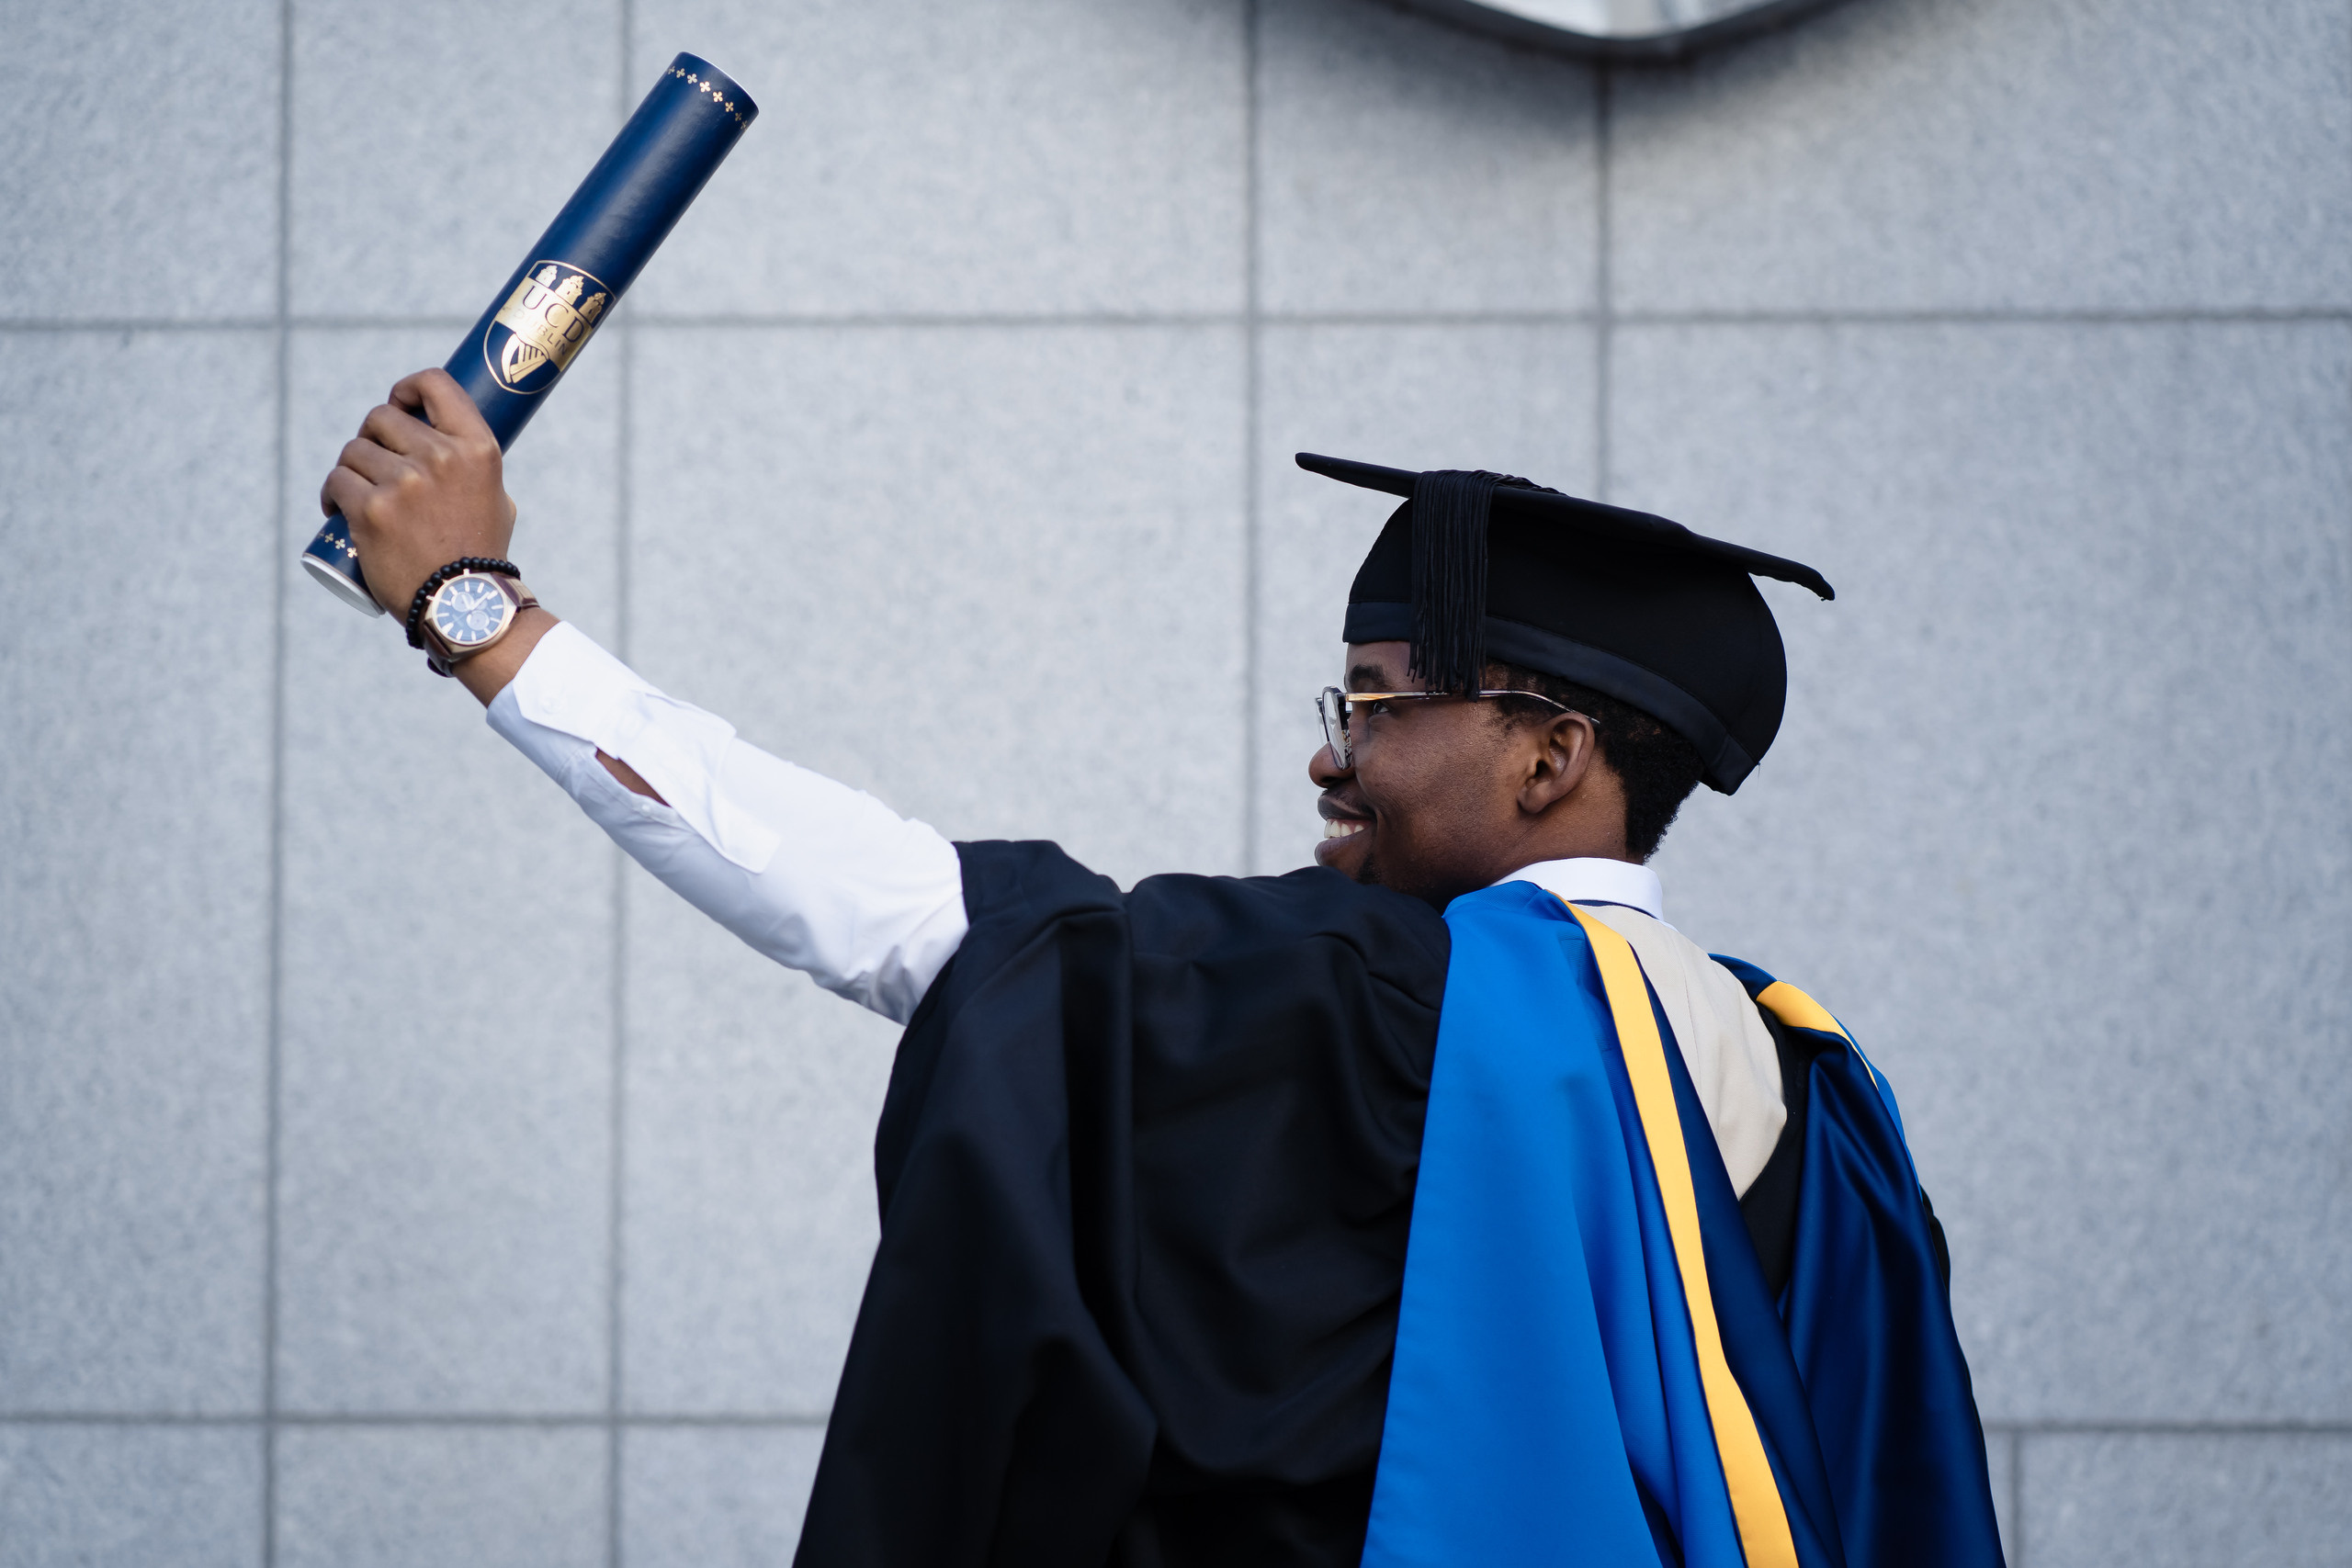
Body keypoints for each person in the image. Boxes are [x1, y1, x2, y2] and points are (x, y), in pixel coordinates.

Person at [323, 369, 2004, 1568]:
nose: (1331, 761)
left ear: (1551, 757)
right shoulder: (1805, 1083)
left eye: (1377, 705)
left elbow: (910, 921)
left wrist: (480, 613)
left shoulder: (1390, 997)